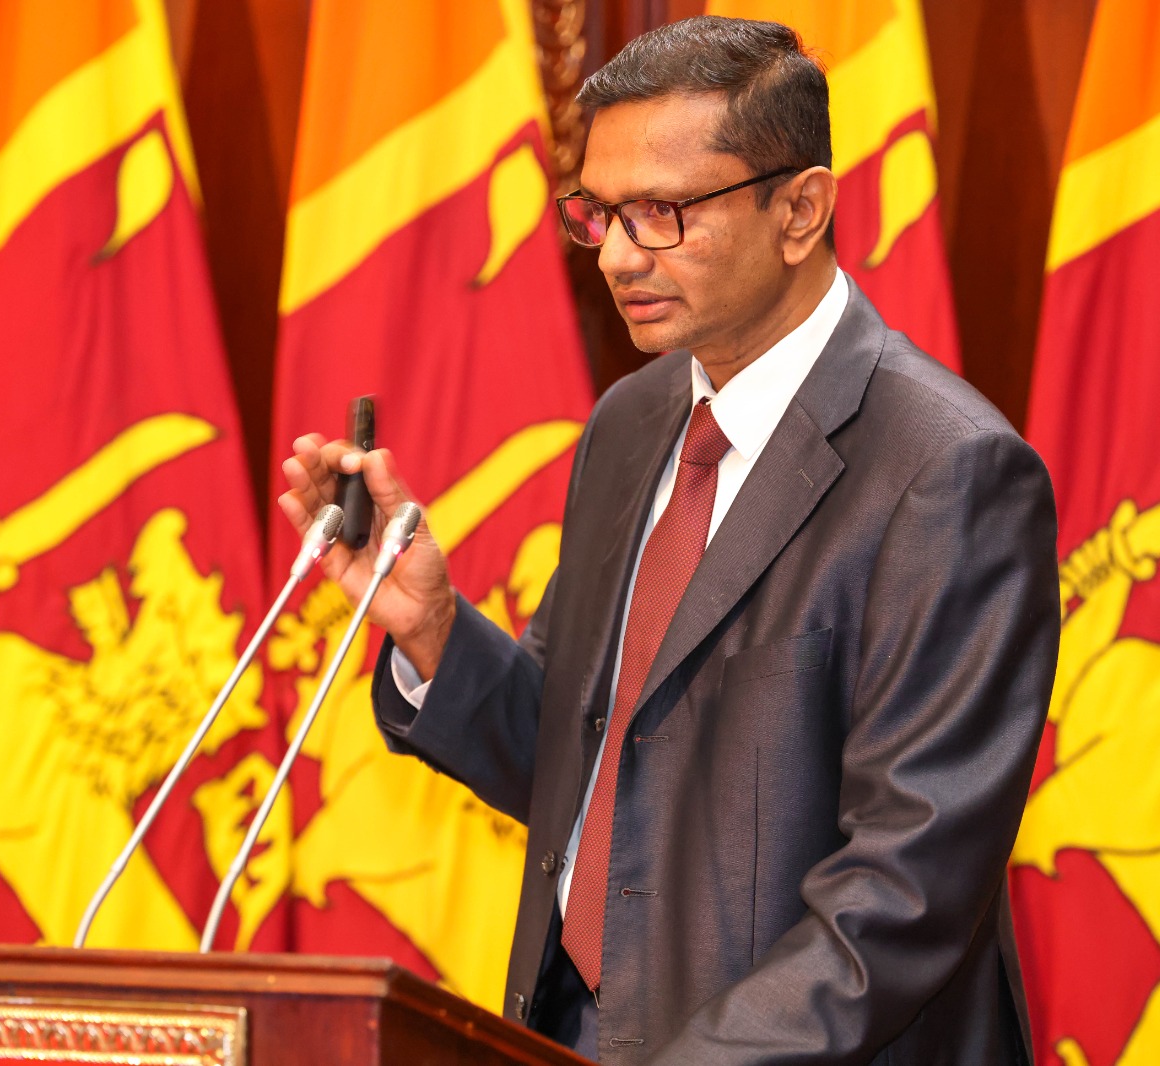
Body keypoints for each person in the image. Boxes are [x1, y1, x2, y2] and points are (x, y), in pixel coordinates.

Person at [278, 15, 1058, 1064]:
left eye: (661, 213)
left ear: (800, 209)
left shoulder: (949, 472)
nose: (618, 255)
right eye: (598, 213)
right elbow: (588, 766)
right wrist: (432, 630)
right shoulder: (634, 422)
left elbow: (902, 897)